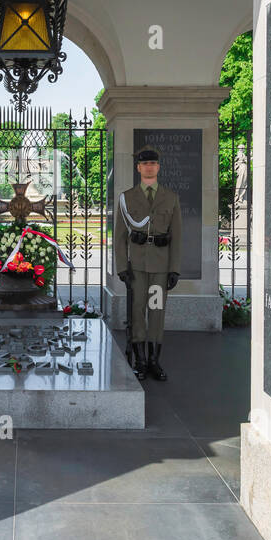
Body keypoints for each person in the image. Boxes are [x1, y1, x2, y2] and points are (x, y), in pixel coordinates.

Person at [113, 146, 181, 380]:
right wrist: (122, 267)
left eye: (153, 163)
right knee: (137, 311)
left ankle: (154, 361)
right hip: (138, 268)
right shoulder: (128, 197)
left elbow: (178, 237)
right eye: (145, 164)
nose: (149, 167)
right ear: (138, 167)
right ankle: (140, 361)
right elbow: (120, 236)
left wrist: (174, 269)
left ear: (158, 167)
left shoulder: (170, 197)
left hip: (160, 269)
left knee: (156, 311)